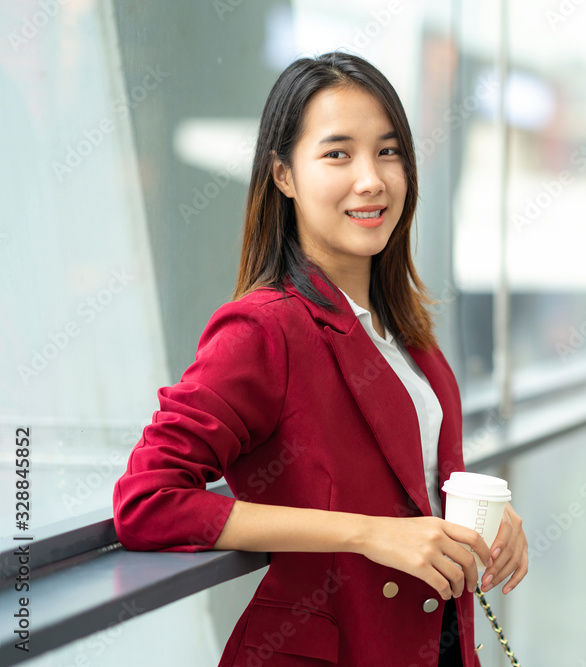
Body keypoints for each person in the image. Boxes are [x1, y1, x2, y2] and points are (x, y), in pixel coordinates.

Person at [112, 51, 529, 667]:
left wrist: (495, 523)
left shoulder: (408, 333)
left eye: (388, 152)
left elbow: (410, 496)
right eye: (338, 153)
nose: (372, 179)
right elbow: (148, 500)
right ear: (283, 174)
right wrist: (367, 534)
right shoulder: (264, 328)